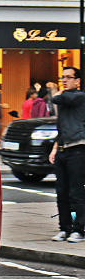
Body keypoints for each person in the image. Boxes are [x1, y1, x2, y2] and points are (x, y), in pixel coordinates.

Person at [49, 66, 85, 243]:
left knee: (76, 192)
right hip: (63, 149)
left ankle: (79, 229)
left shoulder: (79, 96)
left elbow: (57, 98)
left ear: (77, 81)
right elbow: (61, 127)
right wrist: (55, 148)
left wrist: (56, 91)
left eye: (68, 77)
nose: (64, 80)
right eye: (62, 77)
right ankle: (64, 228)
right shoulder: (64, 100)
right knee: (61, 191)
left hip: (77, 150)